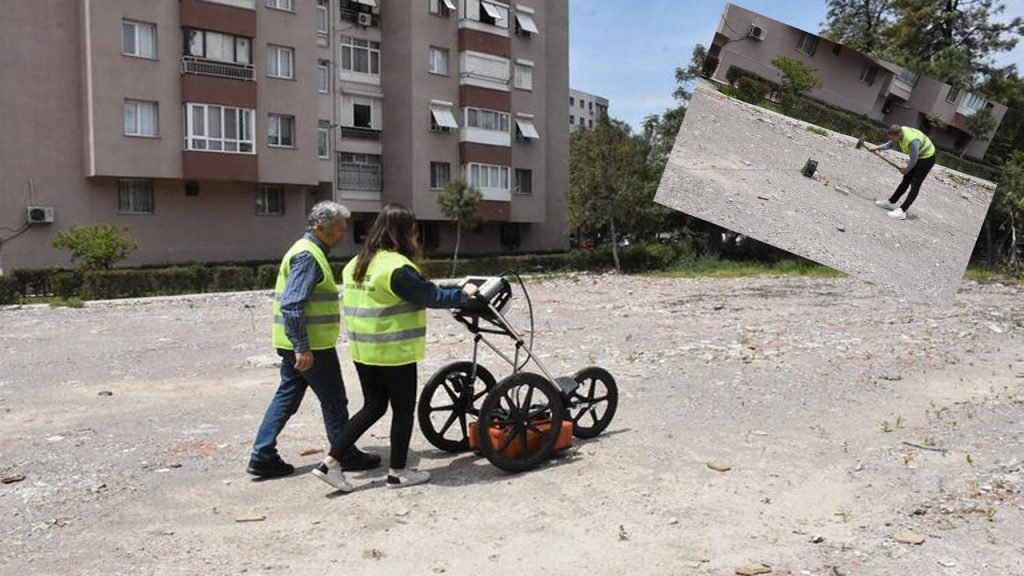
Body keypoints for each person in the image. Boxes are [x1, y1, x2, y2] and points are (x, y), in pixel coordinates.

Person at [311, 203, 477, 492]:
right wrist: (465, 295)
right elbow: (431, 295)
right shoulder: (397, 267)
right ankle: (398, 472)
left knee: (373, 406)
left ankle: (330, 463)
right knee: (402, 411)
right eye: (413, 229)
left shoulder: (356, 264)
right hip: (393, 351)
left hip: (364, 351)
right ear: (404, 232)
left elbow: (414, 290)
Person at [247, 201, 381, 478]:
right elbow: (292, 304)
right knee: (334, 401)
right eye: (338, 230)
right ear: (321, 227)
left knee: (287, 397)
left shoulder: (306, 250)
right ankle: (344, 454)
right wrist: (302, 347)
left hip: (293, 344)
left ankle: (262, 455)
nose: (342, 235)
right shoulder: (308, 256)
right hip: (311, 348)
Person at [867, 124, 937, 221]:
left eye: (892, 137)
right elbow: (890, 144)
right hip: (919, 156)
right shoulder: (900, 132)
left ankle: (902, 211)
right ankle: (891, 202)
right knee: (906, 181)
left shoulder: (912, 142)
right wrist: (877, 148)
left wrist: (906, 170)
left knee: (915, 184)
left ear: (898, 134)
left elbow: (914, 159)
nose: (892, 139)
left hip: (927, 158)